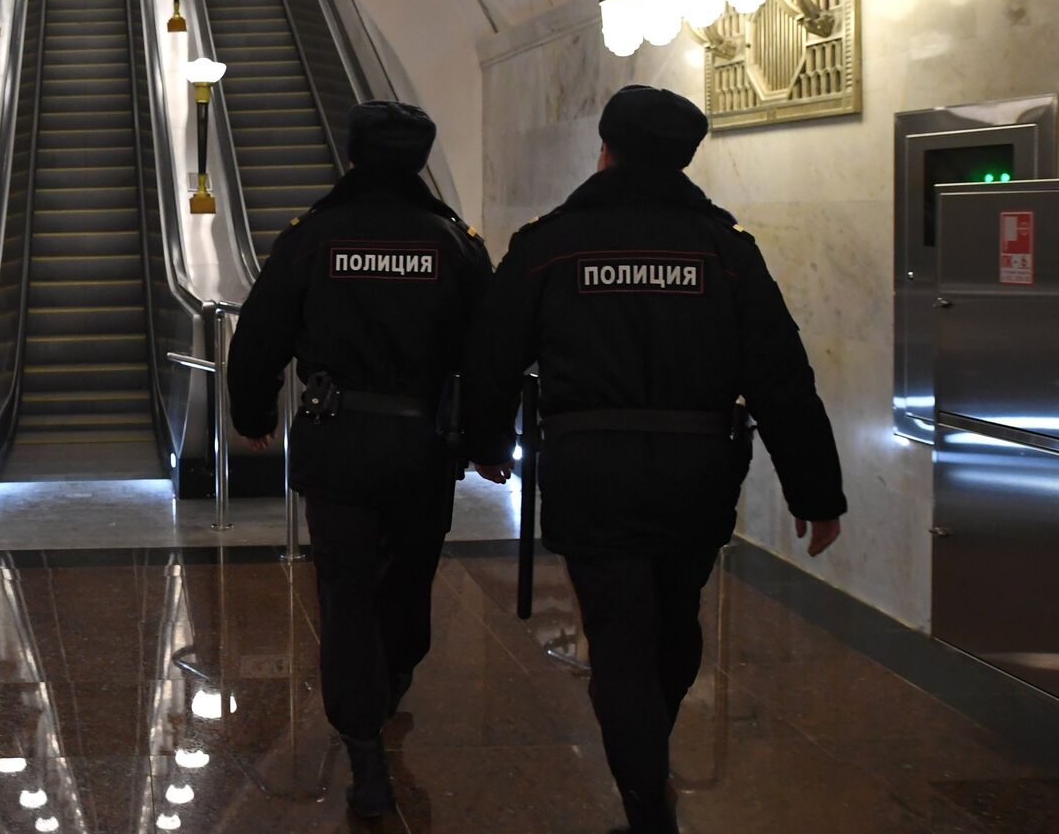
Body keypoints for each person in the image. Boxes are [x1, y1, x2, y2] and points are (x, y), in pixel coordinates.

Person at [461, 84, 847, 834]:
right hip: (697, 476)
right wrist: (817, 491)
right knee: (674, 628)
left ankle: (645, 804)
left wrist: (481, 444)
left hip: (589, 473)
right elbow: (780, 376)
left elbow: (491, 356)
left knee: (619, 637)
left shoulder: (549, 245)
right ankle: (647, 781)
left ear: (603, 152)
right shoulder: (725, 249)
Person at [226, 101, 492, 819]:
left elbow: (258, 337)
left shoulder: (314, 238)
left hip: (337, 443)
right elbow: (489, 354)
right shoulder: (453, 244)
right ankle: (394, 675)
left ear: (351, 156)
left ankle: (363, 745)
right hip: (423, 447)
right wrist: (491, 442)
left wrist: (252, 416)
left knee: (345, 593)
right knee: (408, 578)